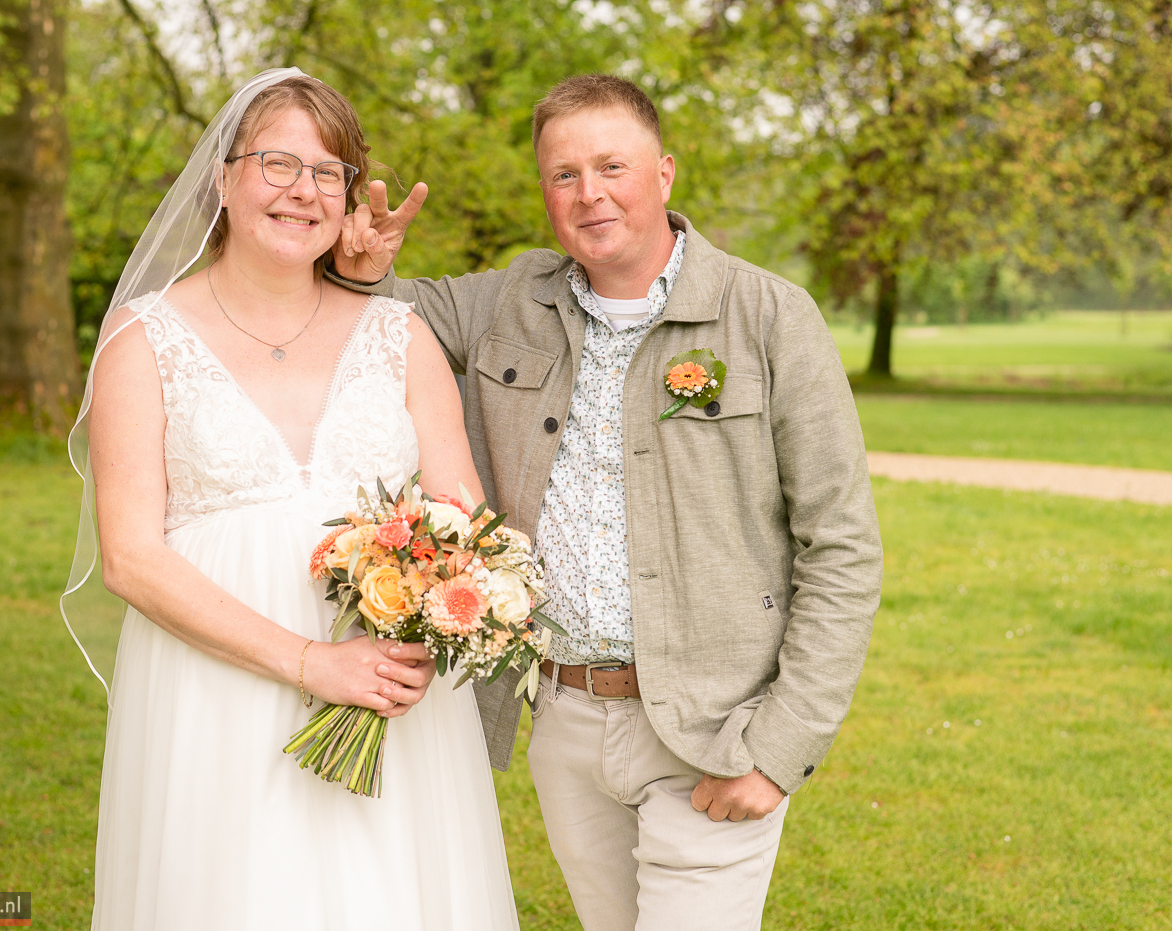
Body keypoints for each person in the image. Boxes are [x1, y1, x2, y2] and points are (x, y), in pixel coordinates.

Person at [327, 74, 884, 931]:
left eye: (611, 166)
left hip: (712, 727)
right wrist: (360, 267)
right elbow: (380, 316)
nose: (590, 193)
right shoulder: (508, 300)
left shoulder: (770, 317)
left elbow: (841, 546)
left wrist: (779, 748)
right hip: (566, 721)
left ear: (663, 174)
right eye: (564, 175)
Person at [64, 69, 519, 930]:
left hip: (389, 691)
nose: (302, 191)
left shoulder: (401, 333)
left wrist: (438, 608)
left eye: (327, 172)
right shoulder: (142, 337)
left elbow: (461, 510)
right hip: (213, 690)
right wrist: (312, 664)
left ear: (349, 200)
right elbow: (128, 555)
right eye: (277, 162)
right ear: (223, 178)